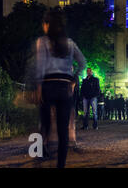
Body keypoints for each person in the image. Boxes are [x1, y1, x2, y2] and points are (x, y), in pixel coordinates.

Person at [35, 9, 86, 168]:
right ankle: (60, 165)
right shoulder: (70, 43)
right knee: (63, 131)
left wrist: (38, 87)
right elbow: (83, 62)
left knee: (45, 124)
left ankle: (42, 150)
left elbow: (40, 66)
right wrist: (74, 78)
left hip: (48, 85)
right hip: (65, 86)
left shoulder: (42, 42)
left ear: (48, 25)